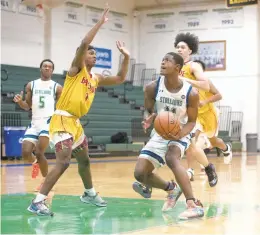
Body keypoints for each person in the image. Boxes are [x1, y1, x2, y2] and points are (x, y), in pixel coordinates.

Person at [27, 5, 130, 216]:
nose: (94, 56)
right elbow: (84, 43)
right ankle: (38, 201)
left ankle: (89, 193)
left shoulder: (96, 78)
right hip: (62, 120)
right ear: (81, 56)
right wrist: (100, 23)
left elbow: (120, 78)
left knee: (84, 160)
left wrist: (126, 57)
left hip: (75, 123)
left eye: (94, 54)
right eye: (90, 53)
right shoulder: (76, 70)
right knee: (64, 162)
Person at [133, 52, 204, 220]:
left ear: (178, 68)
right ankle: (171, 188)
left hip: (181, 130)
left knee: (172, 157)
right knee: (140, 173)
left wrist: (180, 133)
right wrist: (149, 117)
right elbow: (149, 110)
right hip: (160, 131)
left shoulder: (191, 93)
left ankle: (193, 205)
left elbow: (192, 122)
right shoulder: (152, 87)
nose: (163, 63)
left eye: (167, 61)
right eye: (162, 59)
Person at [174, 33, 232, 176]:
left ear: (190, 50)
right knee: (190, 142)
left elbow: (214, 92)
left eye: (182, 47)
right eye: (177, 47)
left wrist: (204, 101)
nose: (179, 49)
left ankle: (226, 148)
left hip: (208, 113)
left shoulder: (193, 67)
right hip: (194, 115)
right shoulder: (176, 70)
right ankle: (190, 170)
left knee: (214, 141)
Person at [13, 59, 62, 190]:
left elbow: (62, 106)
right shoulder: (31, 85)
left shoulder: (57, 87)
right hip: (34, 122)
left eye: (50, 67)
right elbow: (27, 106)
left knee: (39, 152)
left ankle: (46, 182)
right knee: (25, 152)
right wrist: (19, 102)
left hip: (48, 122)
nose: (47, 68)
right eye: (45, 66)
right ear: (40, 68)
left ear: (52, 70)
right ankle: (36, 163)